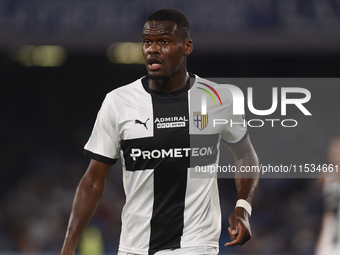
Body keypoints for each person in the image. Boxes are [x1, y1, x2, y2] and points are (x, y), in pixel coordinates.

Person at [60, 8, 259, 255]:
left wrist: (242, 208)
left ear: (187, 46)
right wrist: (68, 246)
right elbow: (92, 180)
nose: (153, 49)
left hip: (195, 245)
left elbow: (245, 155)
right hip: (135, 247)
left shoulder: (218, 98)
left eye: (163, 42)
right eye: (147, 42)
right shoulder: (118, 102)